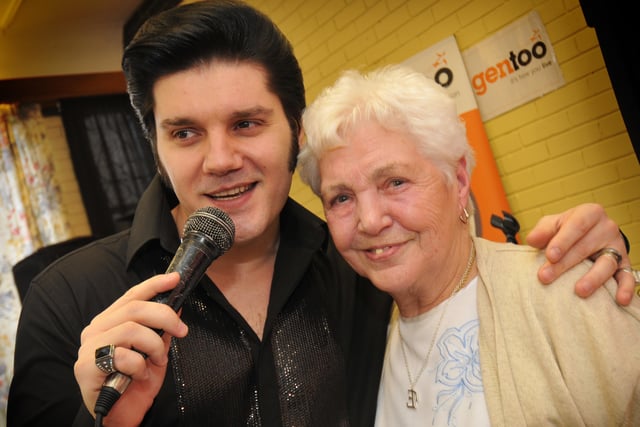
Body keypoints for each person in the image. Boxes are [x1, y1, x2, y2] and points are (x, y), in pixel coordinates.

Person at [6, 1, 633, 426]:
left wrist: (600, 255)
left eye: (246, 123)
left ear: (293, 133)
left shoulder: (359, 269)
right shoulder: (69, 299)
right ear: (157, 148)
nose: (221, 159)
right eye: (186, 133)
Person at [297, 64, 640, 426]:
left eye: (395, 182)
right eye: (341, 199)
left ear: (459, 181)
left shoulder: (564, 294)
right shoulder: (354, 337)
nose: (369, 220)